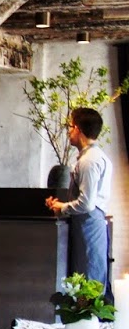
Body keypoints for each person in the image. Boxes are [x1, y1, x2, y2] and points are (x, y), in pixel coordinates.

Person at [47, 106, 112, 286]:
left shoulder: (88, 161)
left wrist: (62, 207)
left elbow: (86, 203)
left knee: (88, 281)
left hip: (88, 225)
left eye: (70, 126)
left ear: (77, 128)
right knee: (90, 279)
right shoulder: (96, 156)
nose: (68, 132)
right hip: (91, 223)